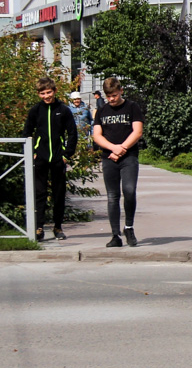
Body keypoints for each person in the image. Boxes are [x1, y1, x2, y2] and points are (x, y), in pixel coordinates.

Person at [21, 77, 78, 241]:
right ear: (38, 94)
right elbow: (27, 133)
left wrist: (67, 154)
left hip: (58, 159)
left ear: (54, 91)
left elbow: (72, 133)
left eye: (48, 92)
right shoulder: (35, 110)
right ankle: (39, 227)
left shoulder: (63, 110)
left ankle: (58, 227)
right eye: (42, 93)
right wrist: (31, 152)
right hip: (40, 159)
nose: (46, 96)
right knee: (39, 193)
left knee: (59, 194)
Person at [92, 77, 144, 248]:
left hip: (128, 157)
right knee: (112, 196)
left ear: (121, 91)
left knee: (129, 191)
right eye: (108, 96)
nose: (111, 99)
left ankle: (129, 227)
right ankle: (115, 235)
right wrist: (112, 148)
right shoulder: (102, 111)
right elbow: (97, 135)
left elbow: (137, 132)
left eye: (114, 95)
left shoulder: (132, 107)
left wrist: (122, 148)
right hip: (109, 158)